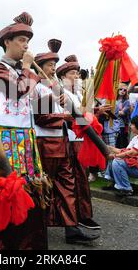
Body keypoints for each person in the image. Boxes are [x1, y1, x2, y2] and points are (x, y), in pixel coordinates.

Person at [0, 12, 50, 250]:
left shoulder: (27, 72)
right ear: (7, 42)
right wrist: (29, 67)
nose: (26, 45)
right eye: (21, 40)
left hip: (27, 135)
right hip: (6, 135)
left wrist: (52, 93)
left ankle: (28, 243)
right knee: (9, 187)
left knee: (30, 186)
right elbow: (17, 91)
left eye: (27, 41)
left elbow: (37, 103)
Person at [33, 43, 99, 245]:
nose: (53, 68)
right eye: (50, 65)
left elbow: (72, 116)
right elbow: (41, 118)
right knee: (44, 188)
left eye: (55, 64)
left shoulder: (57, 88)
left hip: (61, 142)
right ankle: (36, 228)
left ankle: (72, 229)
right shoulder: (38, 88)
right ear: (40, 67)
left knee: (67, 187)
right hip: (45, 142)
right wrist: (67, 117)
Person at [57, 55, 101, 232]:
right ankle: (78, 216)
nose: (76, 76)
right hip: (71, 140)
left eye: (77, 73)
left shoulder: (79, 94)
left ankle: (83, 214)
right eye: (72, 73)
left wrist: (96, 111)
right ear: (62, 77)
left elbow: (83, 114)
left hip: (82, 139)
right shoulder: (62, 94)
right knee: (76, 179)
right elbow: (69, 118)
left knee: (82, 178)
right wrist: (84, 118)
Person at [105, 115, 138, 196]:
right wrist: (109, 148)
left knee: (117, 161)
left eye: (132, 124)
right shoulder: (137, 137)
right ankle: (114, 184)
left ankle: (126, 189)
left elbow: (131, 153)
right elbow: (125, 151)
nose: (130, 126)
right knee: (116, 159)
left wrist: (114, 156)